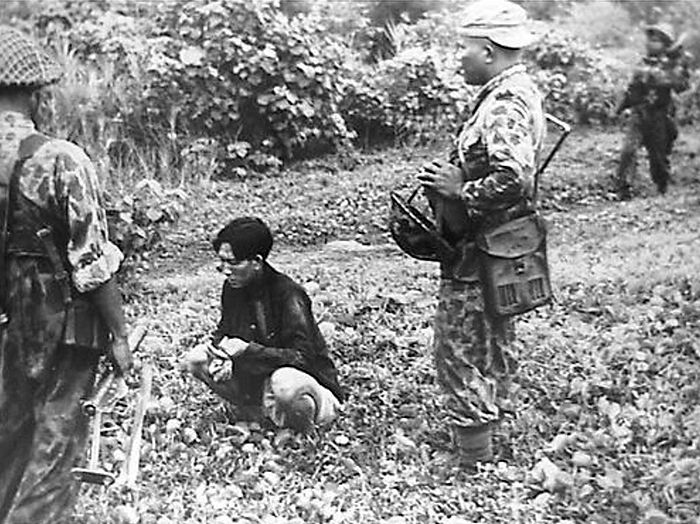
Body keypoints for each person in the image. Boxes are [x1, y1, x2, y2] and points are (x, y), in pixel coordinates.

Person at [0, 26, 132, 523]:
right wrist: (119, 334)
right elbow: (91, 263)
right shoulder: (62, 159)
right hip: (52, 319)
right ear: (36, 92)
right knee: (55, 446)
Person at [416, 0, 546, 467]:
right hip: (499, 243)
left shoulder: (505, 103)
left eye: (464, 48)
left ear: (489, 51)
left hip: (483, 247)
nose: (459, 57)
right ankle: (493, 435)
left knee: (458, 345)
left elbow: (514, 177)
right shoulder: (509, 93)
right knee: (492, 338)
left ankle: (473, 455)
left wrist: (460, 190)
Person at [184, 217, 343, 432]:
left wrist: (248, 350)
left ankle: (303, 427)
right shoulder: (232, 289)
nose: (226, 270)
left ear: (257, 262)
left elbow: (304, 358)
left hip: (305, 384)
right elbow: (223, 332)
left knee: (284, 383)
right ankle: (257, 413)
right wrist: (223, 355)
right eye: (222, 262)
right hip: (260, 385)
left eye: (233, 263)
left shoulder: (288, 294)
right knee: (197, 358)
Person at [614, 23, 691, 199]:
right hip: (639, 114)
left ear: (665, 44)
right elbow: (632, 90)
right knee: (628, 151)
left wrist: (677, 67)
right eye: (649, 39)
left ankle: (662, 188)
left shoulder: (673, 65)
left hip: (660, 116)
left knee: (658, 158)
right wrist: (619, 108)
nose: (650, 43)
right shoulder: (643, 63)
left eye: (656, 40)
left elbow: (681, 86)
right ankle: (623, 188)